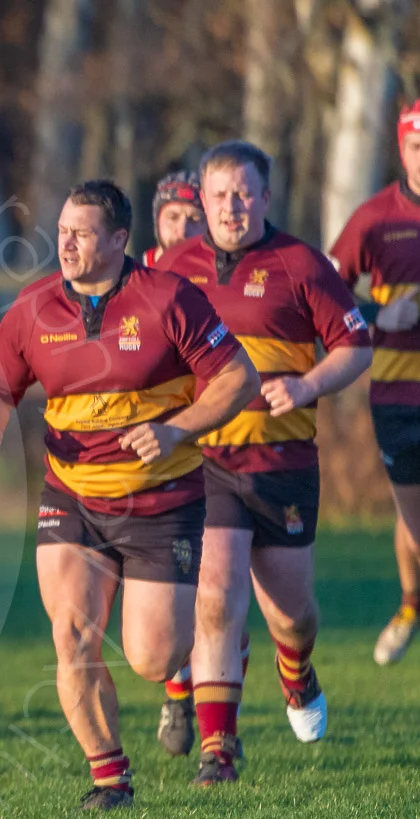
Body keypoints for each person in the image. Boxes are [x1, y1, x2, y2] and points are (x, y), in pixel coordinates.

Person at [0, 179, 259, 811]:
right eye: (62, 230)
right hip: (70, 499)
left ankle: (215, 648)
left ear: (121, 239)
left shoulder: (170, 299)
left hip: (162, 502)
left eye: (82, 233)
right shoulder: (34, 307)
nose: (65, 243)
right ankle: (110, 779)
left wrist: (176, 428)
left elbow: (239, 377)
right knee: (71, 636)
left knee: (154, 658)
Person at [155, 141, 371, 777]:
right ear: (201, 200)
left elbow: (355, 345)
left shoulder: (301, 262)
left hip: (283, 464)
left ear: (265, 198)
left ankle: (296, 668)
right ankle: (220, 749)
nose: (231, 206)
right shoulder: (174, 268)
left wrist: (306, 386)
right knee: (216, 592)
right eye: (218, 195)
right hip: (208, 461)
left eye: (243, 193)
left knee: (291, 613)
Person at [329, 98, 420, 667]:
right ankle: (414, 604)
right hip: (398, 400)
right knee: (418, 532)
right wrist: (377, 316)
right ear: (401, 148)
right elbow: (326, 294)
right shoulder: (375, 219)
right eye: (416, 147)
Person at [141, 171, 205, 267]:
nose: (182, 231)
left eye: (194, 219)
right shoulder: (131, 275)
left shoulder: (224, 277)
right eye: (173, 217)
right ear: (157, 223)